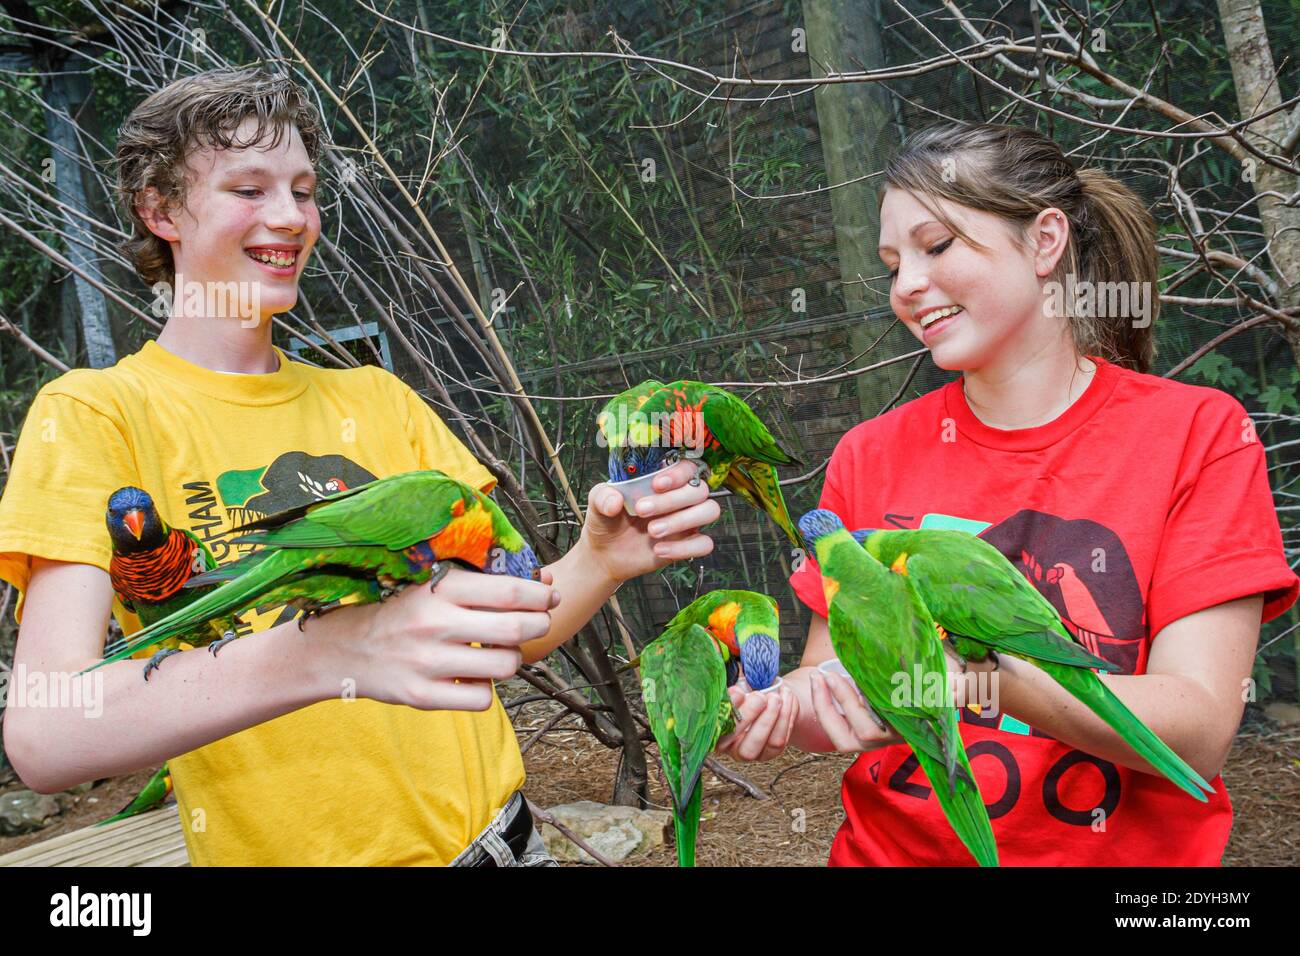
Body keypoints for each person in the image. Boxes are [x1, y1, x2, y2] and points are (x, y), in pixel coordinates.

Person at [0, 67, 720, 866]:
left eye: (304, 191)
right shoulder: (98, 414)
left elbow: (491, 637)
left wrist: (598, 561)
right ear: (159, 209)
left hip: (504, 843)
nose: (290, 217)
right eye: (248, 188)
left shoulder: (378, 398)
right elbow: (46, 731)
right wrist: (329, 652)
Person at [717, 122, 1299, 866]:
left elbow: (1199, 729)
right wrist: (779, 708)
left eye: (937, 247)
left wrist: (979, 682)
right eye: (892, 265)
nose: (906, 287)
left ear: (1045, 240)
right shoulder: (871, 453)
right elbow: (844, 683)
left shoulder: (1196, 434)